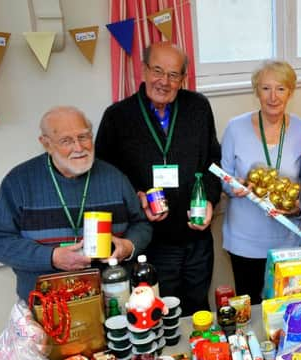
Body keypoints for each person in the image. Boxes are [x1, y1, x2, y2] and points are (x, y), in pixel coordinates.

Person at [95, 42, 221, 315]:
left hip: (197, 237)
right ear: (143, 70)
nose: (164, 81)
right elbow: (104, 179)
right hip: (151, 243)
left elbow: (213, 163)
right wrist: (136, 196)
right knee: (158, 313)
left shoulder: (198, 107)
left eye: (174, 75)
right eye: (157, 71)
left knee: (199, 309)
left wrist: (210, 200)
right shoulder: (118, 116)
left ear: (183, 79)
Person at [0, 106, 152, 300]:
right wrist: (51, 258)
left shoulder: (115, 177)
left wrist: (129, 246)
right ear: (46, 143)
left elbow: (141, 224)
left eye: (84, 137)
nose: (78, 148)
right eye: (66, 141)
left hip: (113, 297)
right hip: (45, 304)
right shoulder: (18, 182)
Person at [220, 60, 301, 304]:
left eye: (280, 88)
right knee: (250, 311)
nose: (273, 97)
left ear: (290, 92)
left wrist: (296, 208)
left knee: (287, 309)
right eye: (265, 88)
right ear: (256, 91)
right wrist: (234, 186)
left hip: (288, 240)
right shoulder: (235, 128)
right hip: (244, 242)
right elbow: (223, 177)